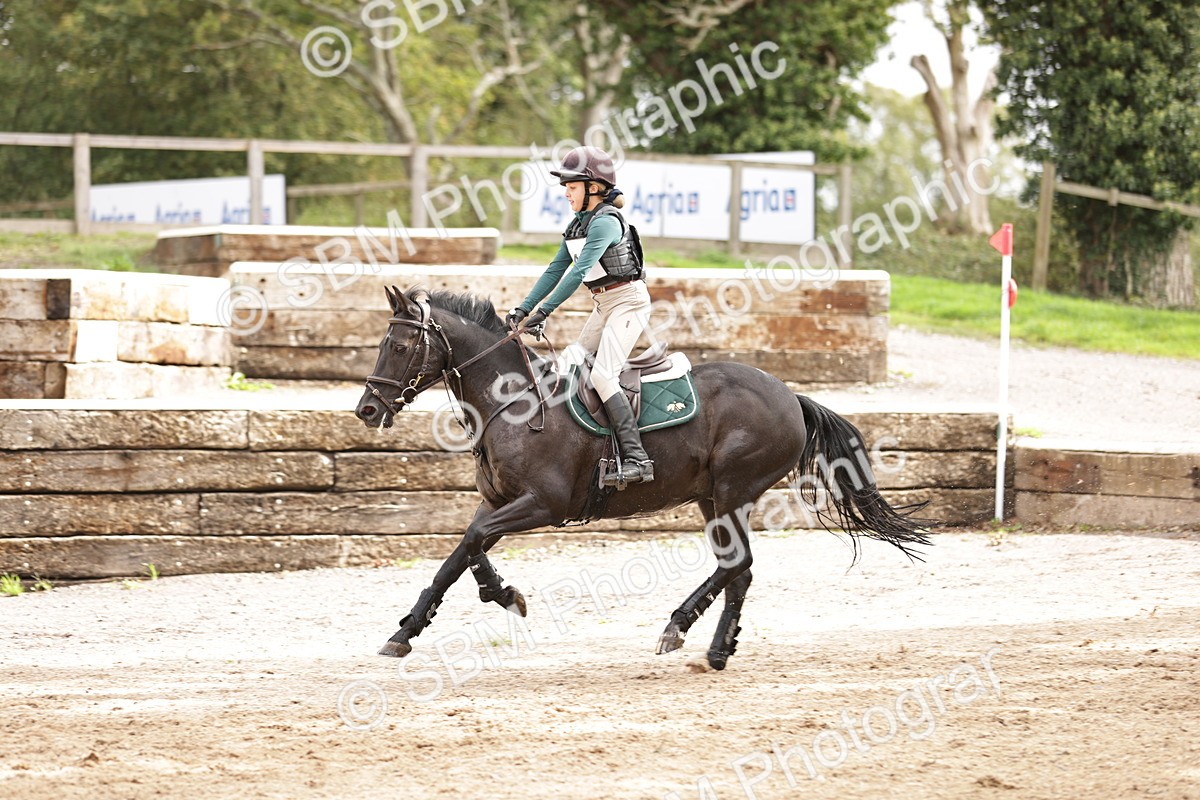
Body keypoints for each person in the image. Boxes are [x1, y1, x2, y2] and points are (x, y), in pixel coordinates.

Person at [506, 146, 654, 486]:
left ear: (593, 188)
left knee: (603, 376)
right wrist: (523, 309)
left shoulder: (606, 223)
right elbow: (554, 270)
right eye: (566, 188)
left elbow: (578, 272)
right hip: (604, 305)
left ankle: (638, 459)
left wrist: (545, 310)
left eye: (572, 187)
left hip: (628, 303)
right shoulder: (577, 225)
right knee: (568, 365)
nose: (566, 194)